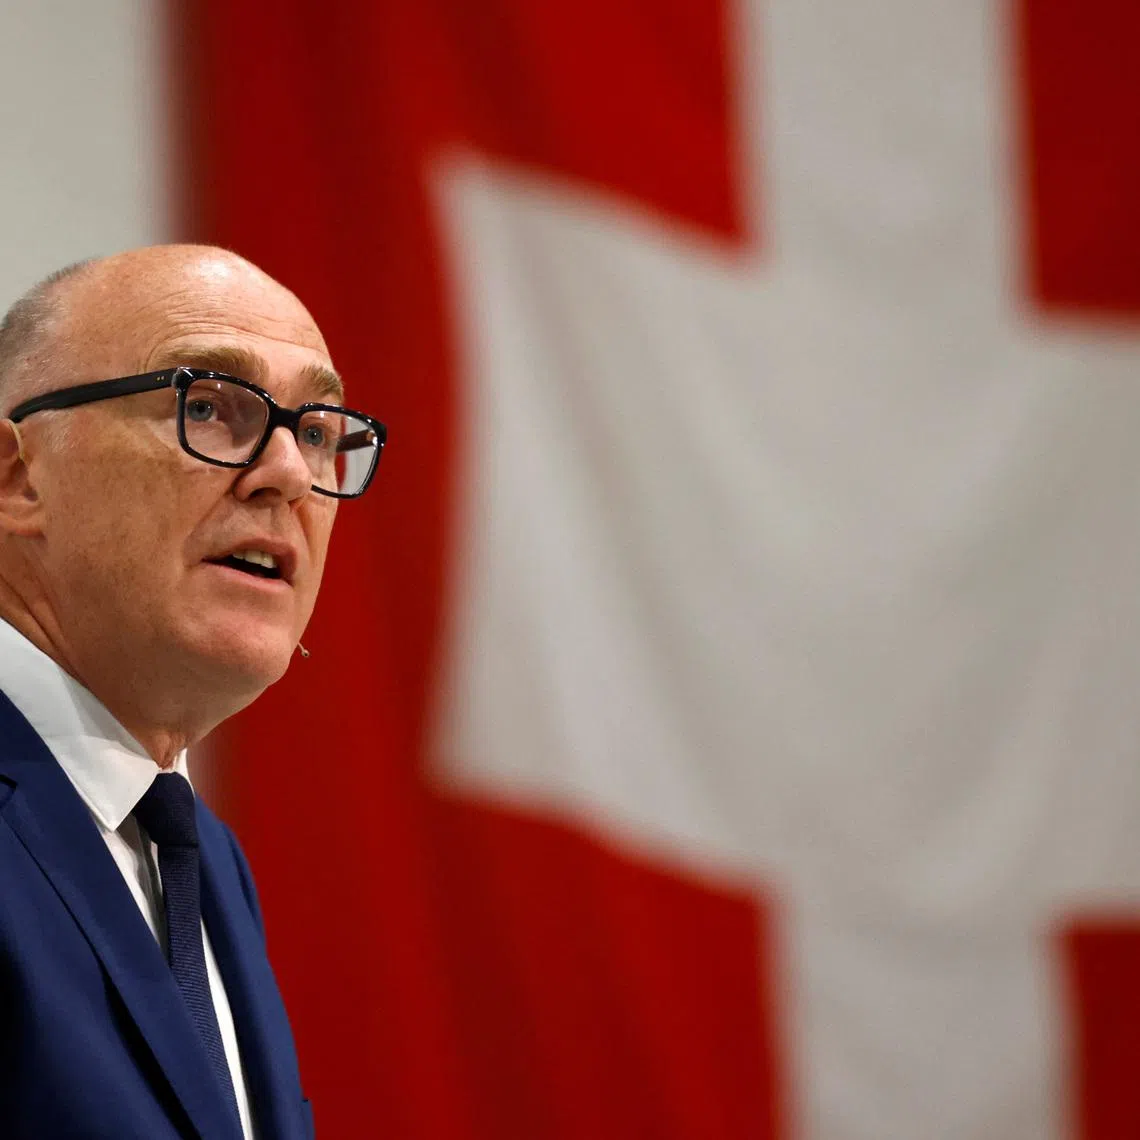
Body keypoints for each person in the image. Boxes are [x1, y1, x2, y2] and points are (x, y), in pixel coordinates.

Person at [0, 245, 385, 1139]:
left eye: (319, 430)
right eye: (208, 407)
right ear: (19, 479)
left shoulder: (200, 860)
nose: (290, 473)